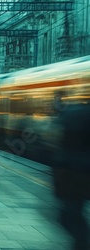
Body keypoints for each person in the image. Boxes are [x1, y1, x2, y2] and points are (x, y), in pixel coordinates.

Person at [52, 100, 90, 250]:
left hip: (71, 172)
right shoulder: (76, 113)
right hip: (81, 171)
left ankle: (81, 242)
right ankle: (81, 241)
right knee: (74, 210)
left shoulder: (71, 113)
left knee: (70, 212)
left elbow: (56, 140)